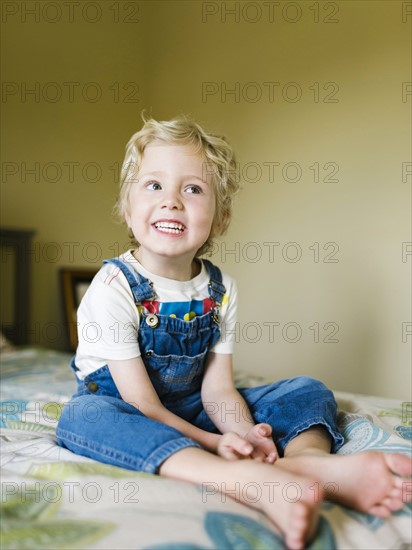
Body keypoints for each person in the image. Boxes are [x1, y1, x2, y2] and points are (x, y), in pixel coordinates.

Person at [57, 114, 411, 550]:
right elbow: (141, 402)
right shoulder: (112, 288)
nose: (171, 201)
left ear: (220, 219)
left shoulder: (219, 288)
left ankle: (308, 462)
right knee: (83, 419)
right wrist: (215, 442)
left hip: (190, 404)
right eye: (153, 186)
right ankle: (247, 481)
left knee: (305, 389)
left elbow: (219, 391)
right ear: (128, 209)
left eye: (193, 188)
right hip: (129, 404)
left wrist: (244, 434)